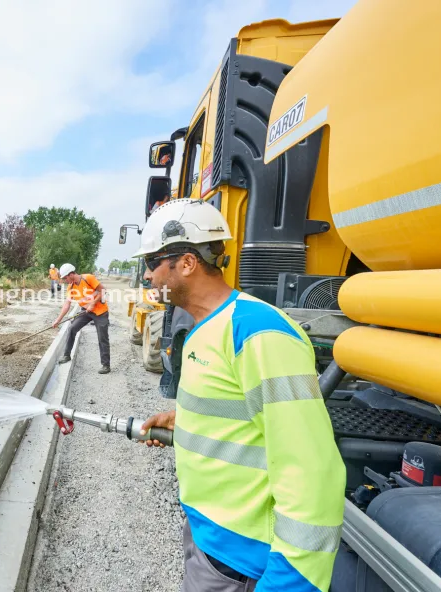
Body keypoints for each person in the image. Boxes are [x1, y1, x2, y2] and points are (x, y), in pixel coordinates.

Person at [133, 199, 346, 592]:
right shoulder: (205, 328)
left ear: (186, 262)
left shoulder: (259, 333)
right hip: (209, 537)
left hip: (241, 561)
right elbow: (247, 415)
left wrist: (289, 583)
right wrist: (185, 420)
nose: (146, 276)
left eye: (151, 263)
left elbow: (311, 471)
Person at [52, 263, 111, 374]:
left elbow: (102, 290)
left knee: (102, 337)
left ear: (71, 274)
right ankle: (66, 355)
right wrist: (58, 320)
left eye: (65, 278)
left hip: (100, 312)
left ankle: (106, 365)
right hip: (85, 311)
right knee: (72, 328)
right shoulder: (71, 287)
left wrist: (93, 303)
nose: (65, 280)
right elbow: (67, 305)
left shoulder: (88, 278)